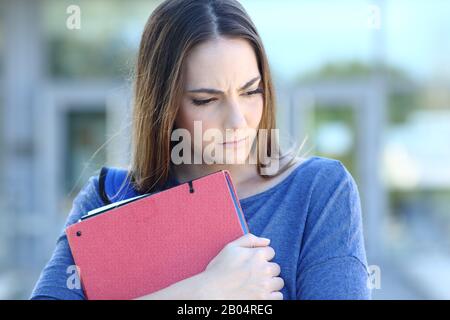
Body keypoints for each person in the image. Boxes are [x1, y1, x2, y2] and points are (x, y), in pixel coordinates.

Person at [30, 0, 371, 300]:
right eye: (206, 100)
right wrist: (204, 292)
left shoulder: (319, 192)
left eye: (251, 92)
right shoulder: (108, 198)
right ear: (164, 106)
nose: (237, 121)